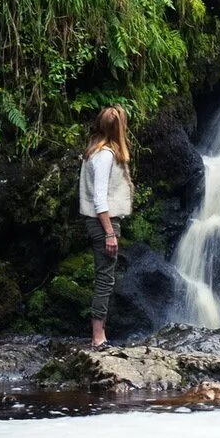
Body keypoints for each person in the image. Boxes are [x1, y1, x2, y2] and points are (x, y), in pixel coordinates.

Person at [78, 104, 134, 349]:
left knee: (105, 277)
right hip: (103, 223)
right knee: (105, 279)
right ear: (119, 128)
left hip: (102, 222)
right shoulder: (105, 156)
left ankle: (100, 333)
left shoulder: (96, 151)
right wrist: (110, 232)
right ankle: (98, 337)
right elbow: (99, 198)